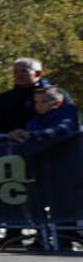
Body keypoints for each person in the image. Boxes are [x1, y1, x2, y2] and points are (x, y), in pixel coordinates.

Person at [13, 83, 80, 252]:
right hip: (40, 166)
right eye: (36, 102)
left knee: (63, 204)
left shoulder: (68, 113)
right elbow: (28, 138)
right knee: (37, 202)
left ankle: (66, 238)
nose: (38, 106)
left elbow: (61, 130)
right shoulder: (35, 121)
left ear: (56, 103)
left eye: (43, 102)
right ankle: (41, 236)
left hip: (64, 167)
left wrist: (32, 135)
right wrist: (18, 135)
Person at [0, 58, 44, 248]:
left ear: (37, 74)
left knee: (41, 195)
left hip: (44, 153)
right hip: (14, 152)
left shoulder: (51, 94)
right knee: (13, 191)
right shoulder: (7, 97)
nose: (17, 75)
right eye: (15, 71)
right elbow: (1, 126)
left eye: (23, 71)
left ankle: (44, 233)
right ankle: (13, 233)